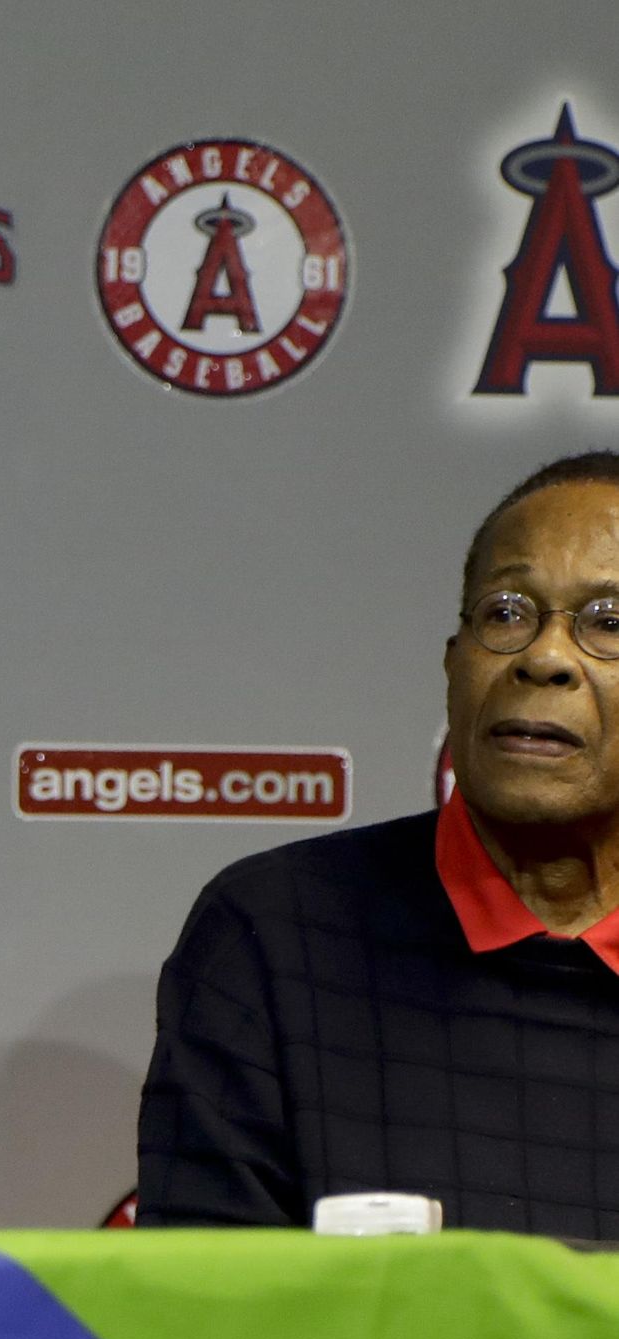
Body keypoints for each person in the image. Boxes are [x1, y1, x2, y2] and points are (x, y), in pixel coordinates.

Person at [140, 451, 619, 1234]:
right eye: (505, 613)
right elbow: (207, 1328)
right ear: (452, 666)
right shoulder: (275, 934)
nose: (546, 657)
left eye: (608, 624)